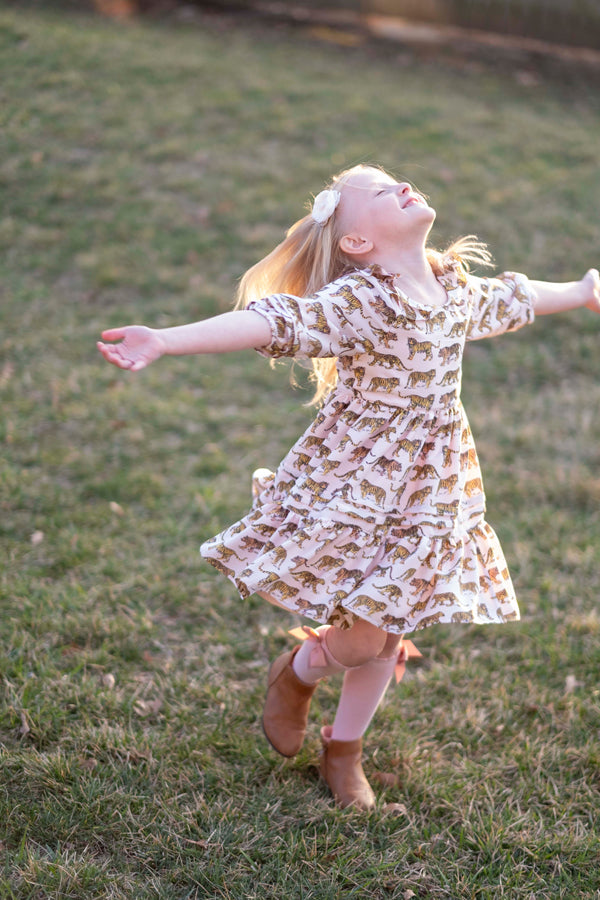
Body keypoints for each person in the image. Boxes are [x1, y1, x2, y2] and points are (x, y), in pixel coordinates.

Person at [98, 164, 600, 811]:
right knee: (363, 639)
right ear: (358, 243)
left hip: (433, 487)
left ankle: (345, 752)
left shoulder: (448, 285)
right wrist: (165, 340)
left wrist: (583, 288)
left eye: (395, 179)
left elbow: (514, 298)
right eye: (379, 191)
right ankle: (298, 672)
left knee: (389, 630)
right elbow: (276, 322)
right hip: (360, 483)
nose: (400, 185)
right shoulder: (364, 299)